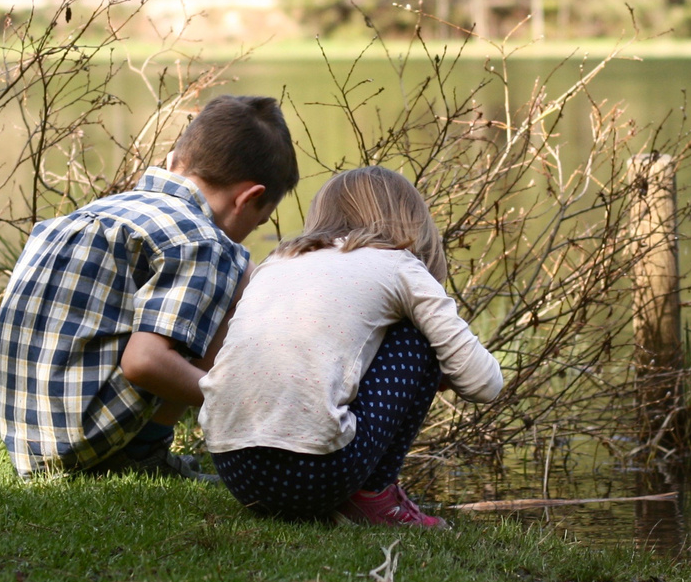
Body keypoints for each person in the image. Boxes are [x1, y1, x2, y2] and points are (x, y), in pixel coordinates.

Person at [0, 95, 298, 478]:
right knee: (243, 273)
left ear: (173, 162)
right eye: (257, 223)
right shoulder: (202, 241)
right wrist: (235, 400)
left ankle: (133, 448)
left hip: (22, 435)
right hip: (80, 440)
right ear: (250, 198)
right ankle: (143, 451)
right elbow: (143, 362)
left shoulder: (99, 211)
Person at [199, 165, 503, 527]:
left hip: (236, 472)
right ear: (410, 220)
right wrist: (438, 364)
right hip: (314, 477)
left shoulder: (278, 262)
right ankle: (375, 497)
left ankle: (354, 493)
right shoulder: (398, 264)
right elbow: (485, 384)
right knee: (418, 338)